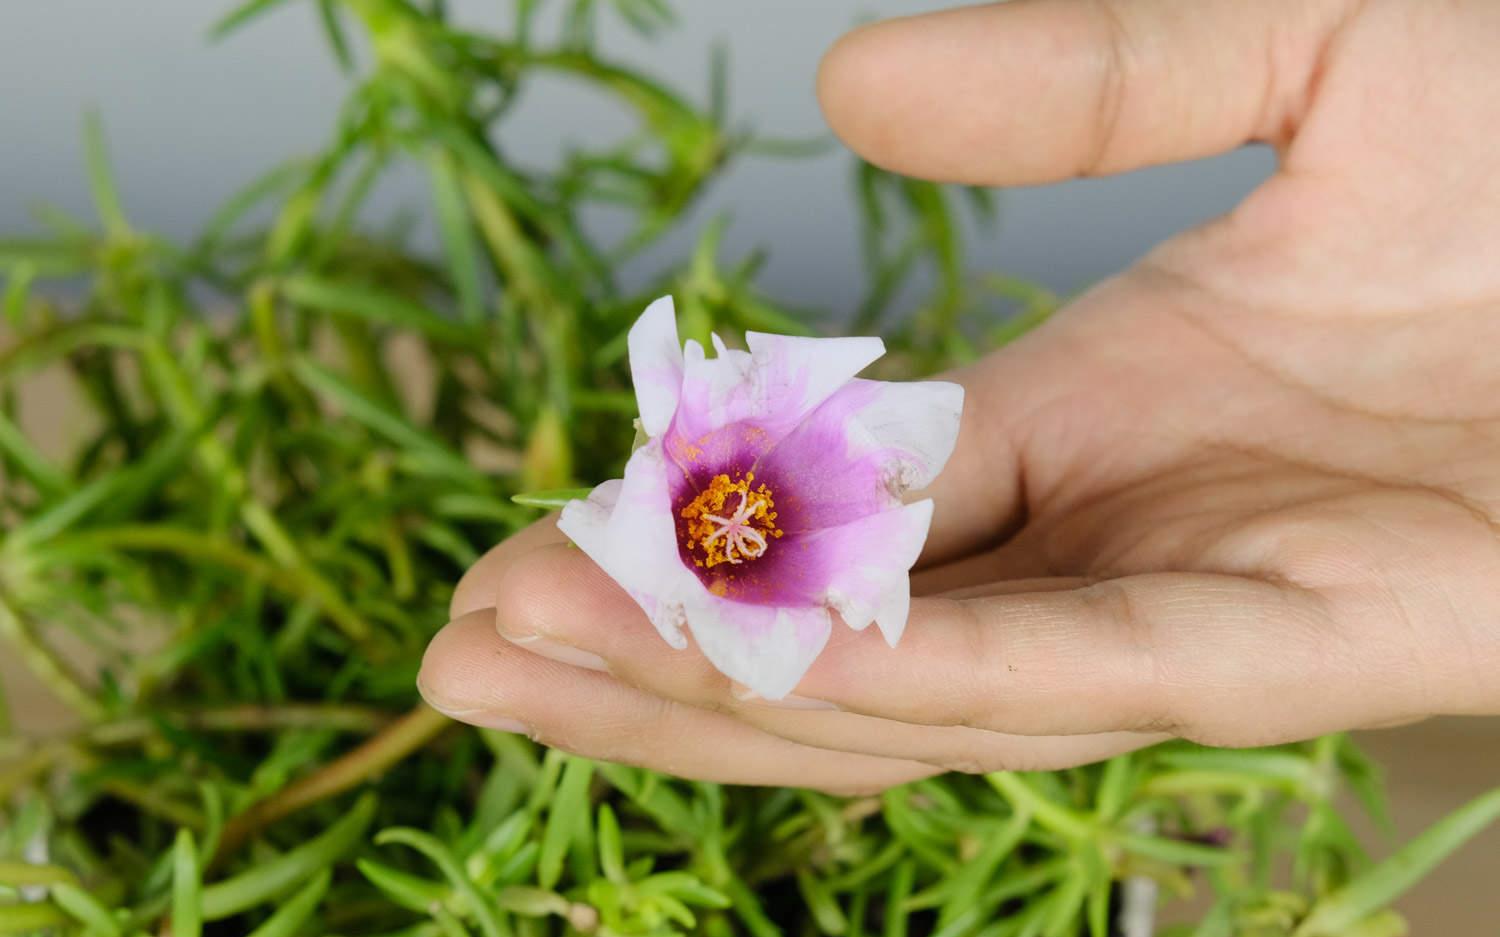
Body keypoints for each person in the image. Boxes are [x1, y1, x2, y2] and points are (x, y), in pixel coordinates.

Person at [418, 0, 1500, 793]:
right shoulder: (691, 489)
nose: (731, 516)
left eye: (725, 516)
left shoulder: (756, 512)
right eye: (718, 517)